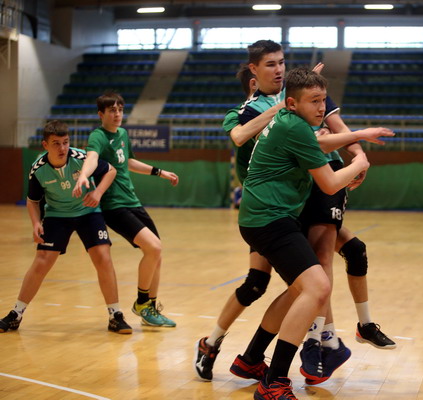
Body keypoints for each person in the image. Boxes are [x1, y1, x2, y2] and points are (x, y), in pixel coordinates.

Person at [194, 42, 393, 383]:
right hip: (269, 208)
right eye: (270, 64)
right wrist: (358, 158)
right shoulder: (259, 111)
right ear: (253, 74)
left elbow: (325, 134)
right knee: (267, 284)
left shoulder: (303, 101)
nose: (278, 69)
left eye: (282, 63)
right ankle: (221, 344)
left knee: (327, 269)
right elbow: (241, 136)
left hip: (290, 201)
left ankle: (269, 355)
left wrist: (356, 145)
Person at [236, 67, 370, 400]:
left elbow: (323, 145)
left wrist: (359, 138)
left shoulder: (291, 123)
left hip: (267, 217)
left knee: (301, 290)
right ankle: (274, 382)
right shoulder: (295, 127)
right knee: (318, 287)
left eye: (323, 100)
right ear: (292, 103)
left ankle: (251, 360)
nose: (322, 108)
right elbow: (330, 183)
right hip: (269, 219)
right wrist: (359, 162)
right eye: (314, 101)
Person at [0, 120, 132, 334]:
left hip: (88, 212)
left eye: (65, 142)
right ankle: (16, 313)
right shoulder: (38, 169)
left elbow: (110, 170)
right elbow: (33, 201)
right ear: (45, 145)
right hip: (57, 215)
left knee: (103, 257)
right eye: (56, 143)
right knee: (42, 261)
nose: (62, 148)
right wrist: (36, 223)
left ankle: (115, 315)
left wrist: (97, 193)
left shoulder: (81, 158)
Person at [72, 91, 180, 327]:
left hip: (132, 200)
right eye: (112, 110)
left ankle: (150, 308)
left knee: (156, 254)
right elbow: (91, 158)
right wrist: (84, 175)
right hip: (114, 206)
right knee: (154, 247)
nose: (117, 114)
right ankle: (141, 303)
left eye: (120, 109)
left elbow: (128, 162)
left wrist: (160, 172)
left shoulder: (122, 133)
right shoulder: (98, 136)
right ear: (101, 114)